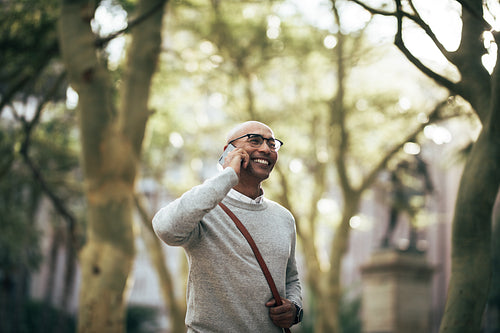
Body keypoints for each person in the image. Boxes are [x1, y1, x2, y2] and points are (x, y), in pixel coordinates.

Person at [152, 121, 303, 332]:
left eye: (272, 144)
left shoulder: (284, 217)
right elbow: (166, 229)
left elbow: (291, 278)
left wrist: (295, 308)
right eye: (255, 140)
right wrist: (228, 175)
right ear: (229, 151)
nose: (265, 149)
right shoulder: (203, 208)